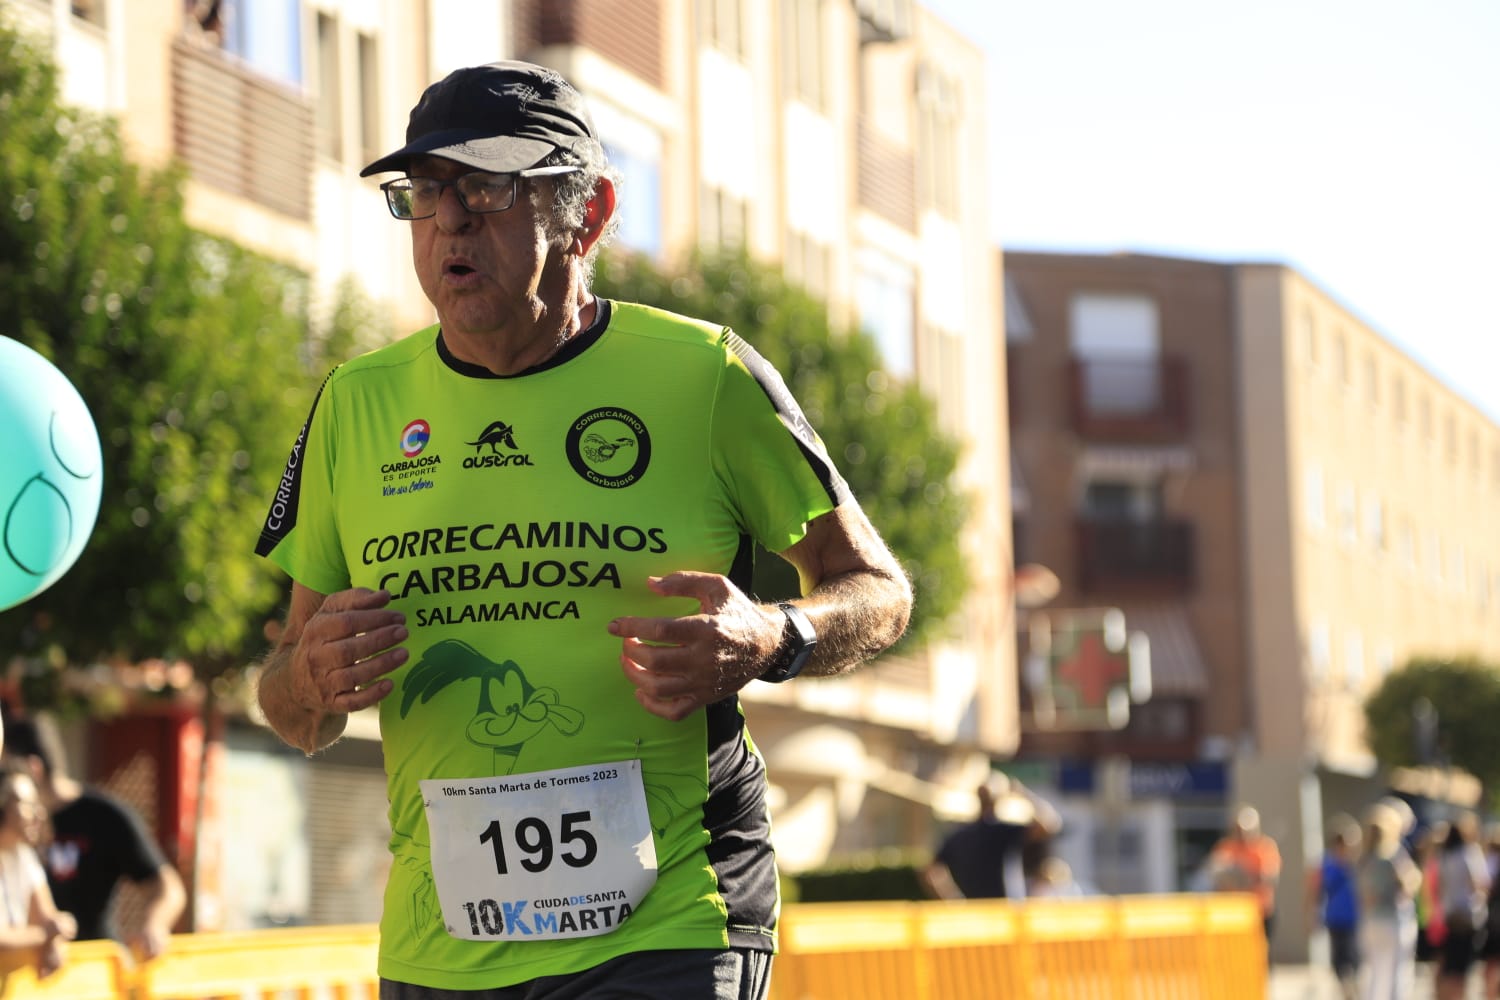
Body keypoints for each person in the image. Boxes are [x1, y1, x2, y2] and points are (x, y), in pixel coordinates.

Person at [252, 59, 913, 999]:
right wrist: (310, 677)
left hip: (674, 920)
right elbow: (288, 701)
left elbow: (880, 592)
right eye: (429, 194)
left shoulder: (704, 376)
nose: (449, 224)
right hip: (442, 948)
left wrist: (775, 634)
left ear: (588, 213)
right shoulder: (355, 407)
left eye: (485, 190)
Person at [0, 712, 186, 959]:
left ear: (33, 769)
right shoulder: (12, 831)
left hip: (95, 968)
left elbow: (167, 885)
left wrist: (154, 926)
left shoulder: (103, 816)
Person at [920, 775, 1061, 901]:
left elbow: (930, 871)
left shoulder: (959, 834)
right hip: (1005, 913)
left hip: (975, 916)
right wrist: (1022, 793)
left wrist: (953, 899)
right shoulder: (1002, 831)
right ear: (998, 800)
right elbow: (1049, 824)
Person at [0, 760, 76, 980]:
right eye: (26, 804)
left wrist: (54, 938)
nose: (37, 814)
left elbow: (48, 917)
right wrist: (46, 935)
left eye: (36, 804)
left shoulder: (23, 856)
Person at [1358, 800, 1423, 1000]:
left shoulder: (1364, 858)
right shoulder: (1392, 855)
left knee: (1375, 972)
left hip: (1371, 921)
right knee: (1398, 973)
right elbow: (1408, 884)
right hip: (1394, 920)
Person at [1208, 805, 1282, 949]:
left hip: (1260, 911)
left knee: (1260, 952)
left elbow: (1269, 876)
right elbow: (1216, 872)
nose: (1243, 834)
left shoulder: (1265, 847)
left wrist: (1242, 876)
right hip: (1233, 913)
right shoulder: (1227, 847)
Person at [1305, 814, 1362, 1000]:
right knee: (1340, 958)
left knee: (1354, 957)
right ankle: (1347, 990)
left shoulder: (1356, 863)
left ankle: (1353, 987)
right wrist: (1313, 915)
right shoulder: (1326, 864)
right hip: (1336, 917)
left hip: (1356, 917)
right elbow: (1315, 891)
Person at [1435, 811, 1490, 1000]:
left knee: (1449, 967)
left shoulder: (1445, 854)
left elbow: (1440, 885)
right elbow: (1479, 882)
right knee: (1462, 971)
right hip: (1467, 916)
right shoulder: (1468, 852)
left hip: (1450, 914)